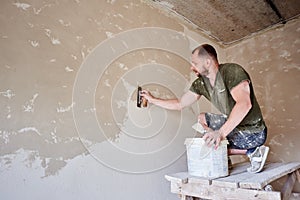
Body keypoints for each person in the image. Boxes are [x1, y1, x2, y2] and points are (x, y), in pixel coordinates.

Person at [141, 44, 269, 173]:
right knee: (202, 119)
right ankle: (224, 154)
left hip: (253, 132)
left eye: (195, 63)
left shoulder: (232, 72)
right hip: (236, 128)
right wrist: (152, 100)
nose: (192, 67)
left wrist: (220, 133)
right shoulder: (200, 84)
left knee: (214, 141)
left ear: (207, 62)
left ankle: (253, 151)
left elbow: (244, 104)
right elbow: (180, 104)